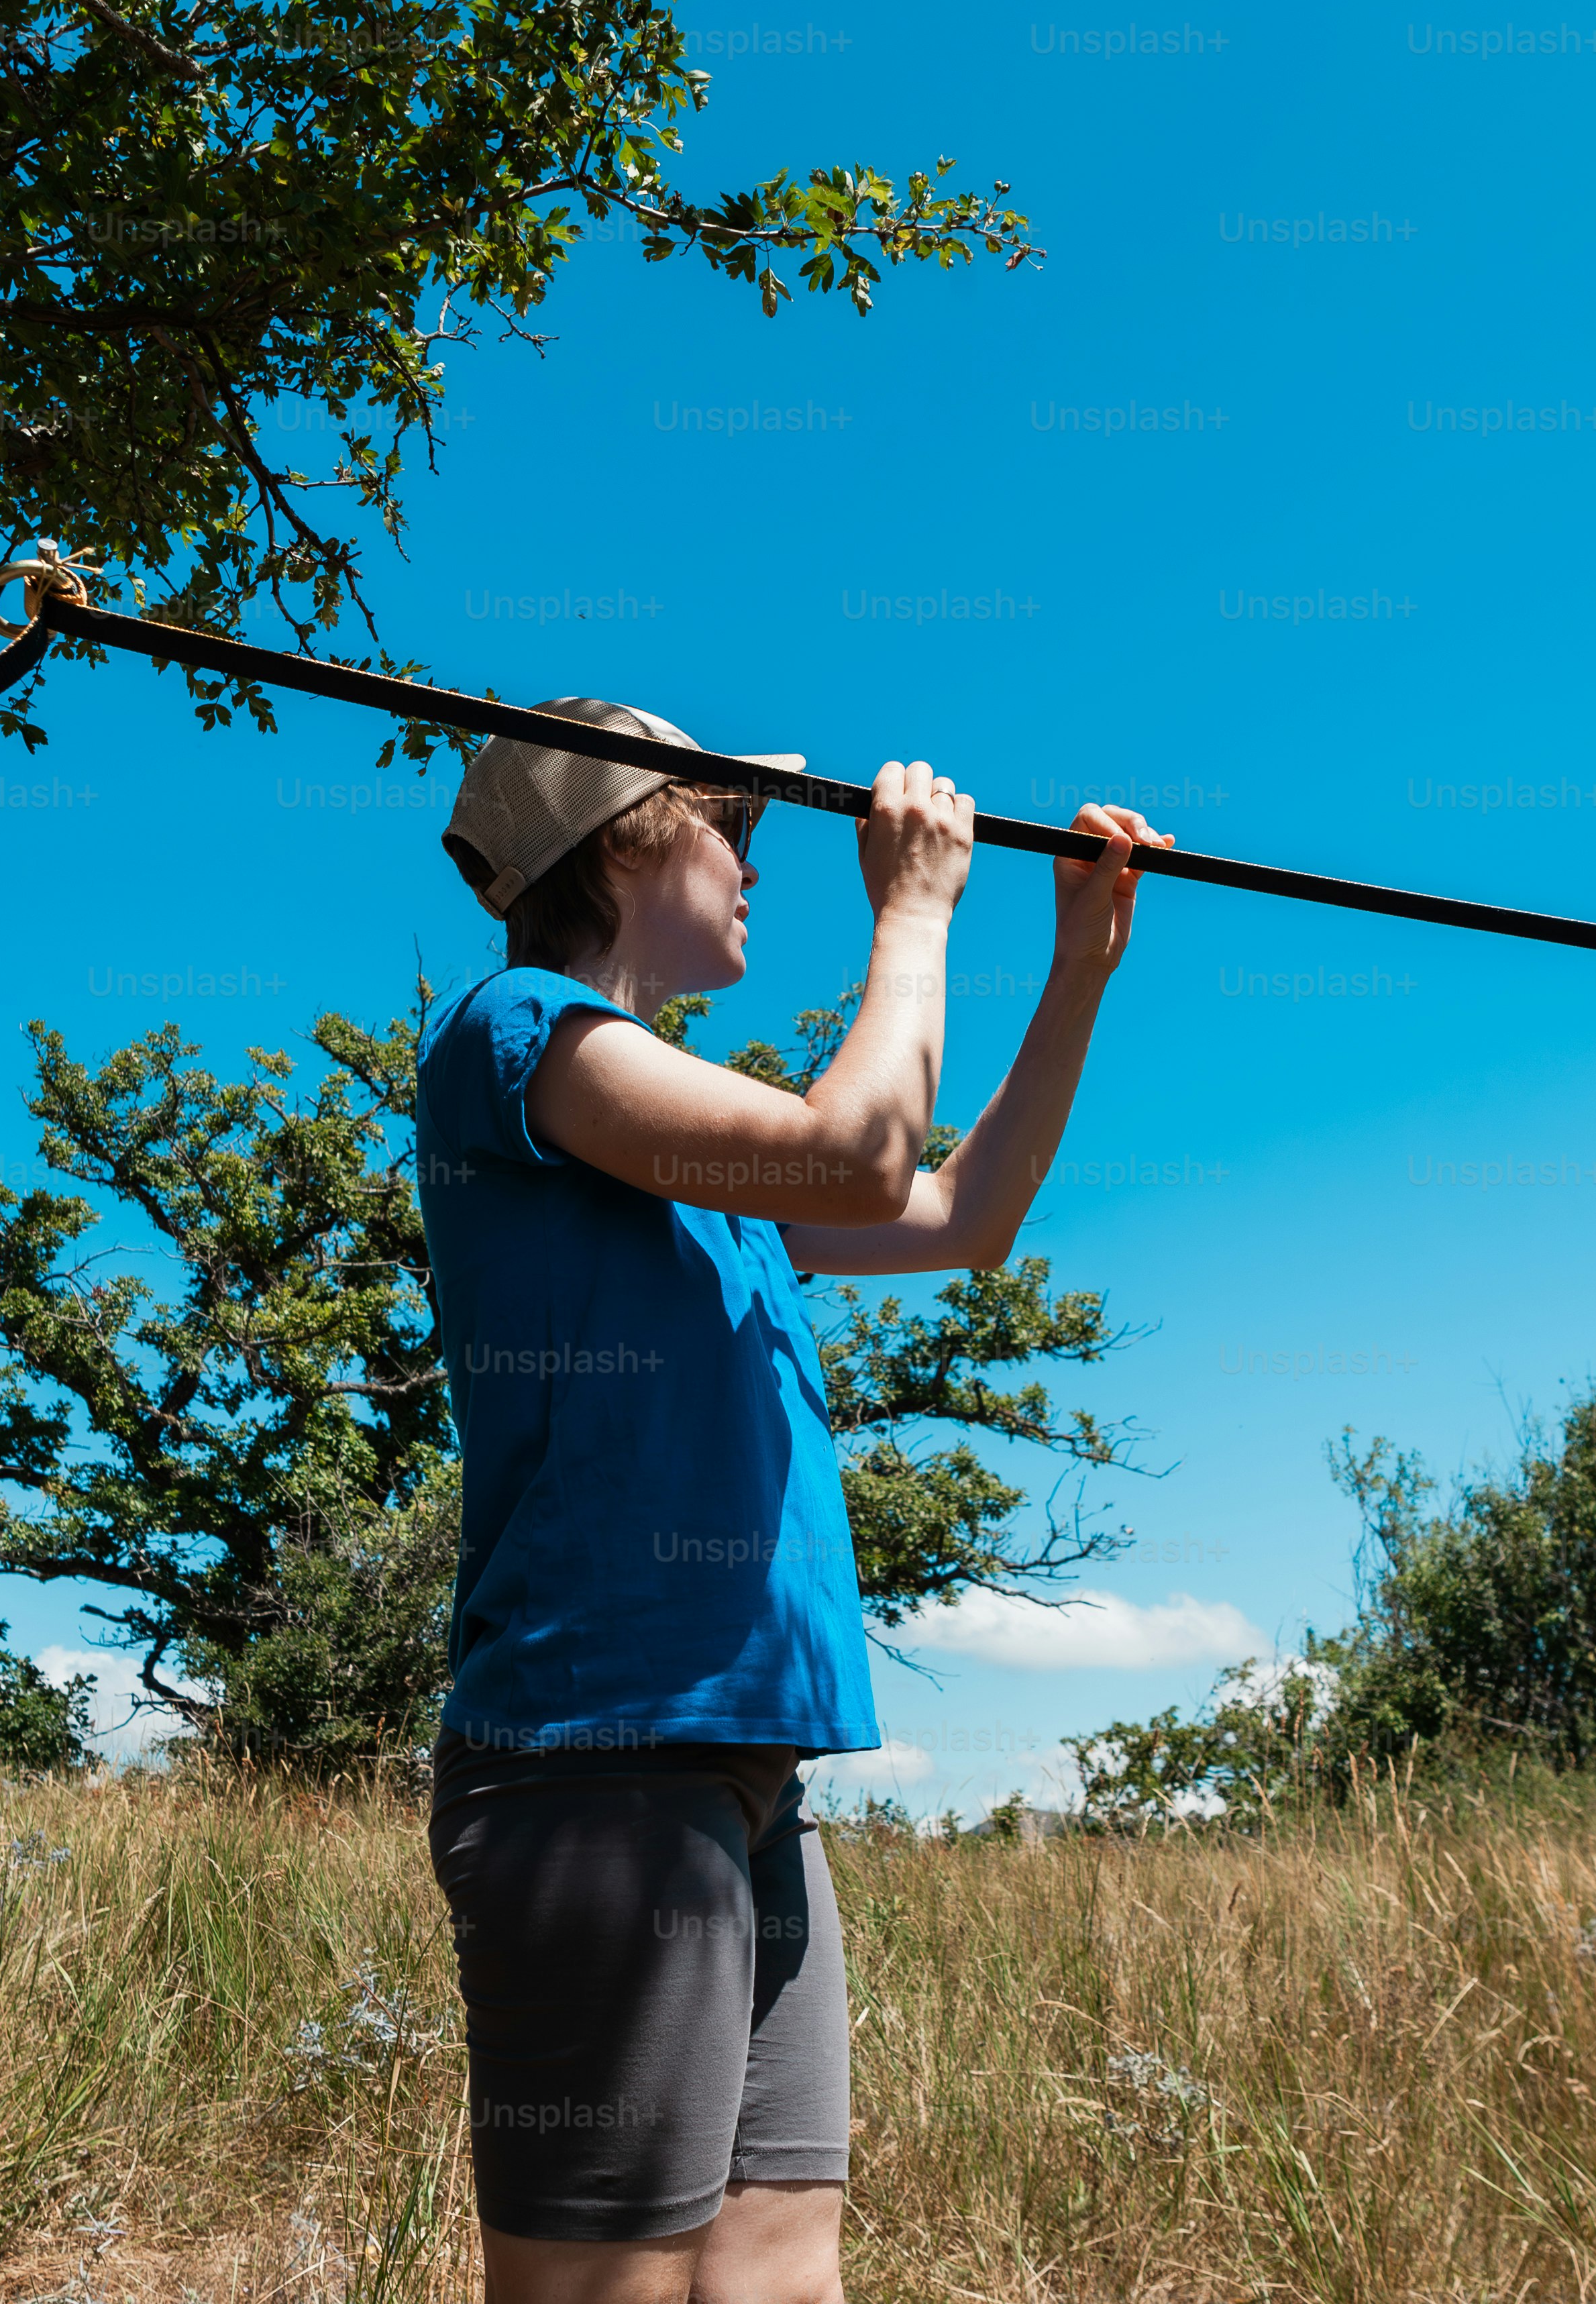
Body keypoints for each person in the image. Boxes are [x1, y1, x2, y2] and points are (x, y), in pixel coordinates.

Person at [415, 697, 1165, 2304]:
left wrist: (1079, 971)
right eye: (731, 827)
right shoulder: (518, 1038)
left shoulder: (693, 1153)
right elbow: (855, 1154)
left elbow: (955, 1213)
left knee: (775, 2281)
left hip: (746, 1777)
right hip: (594, 1765)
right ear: (620, 846)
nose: (759, 865)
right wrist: (912, 914)